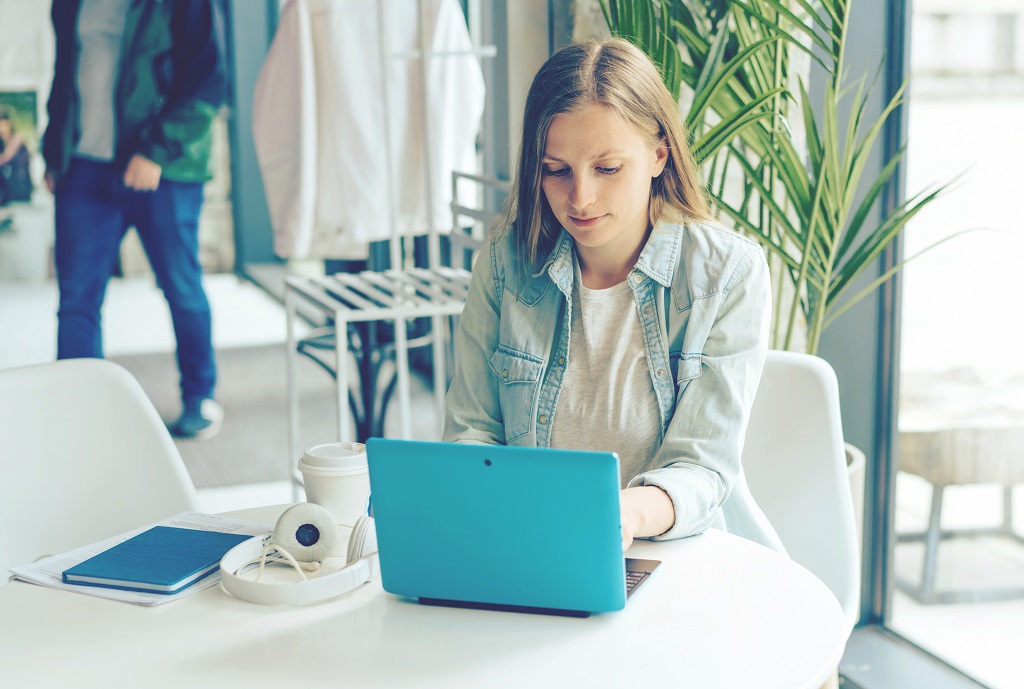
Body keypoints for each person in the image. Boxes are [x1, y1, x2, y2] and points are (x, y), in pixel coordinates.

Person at [442, 38, 785, 553]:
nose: (580, 198)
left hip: (682, 557)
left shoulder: (726, 274)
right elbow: (472, 432)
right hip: (534, 549)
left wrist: (616, 515)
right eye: (556, 170)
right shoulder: (505, 264)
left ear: (658, 155)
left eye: (607, 168)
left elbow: (701, 467)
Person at [41, 0, 228, 439]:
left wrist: (155, 150)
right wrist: (54, 150)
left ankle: (200, 396)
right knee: (76, 300)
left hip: (164, 168)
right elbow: (65, 71)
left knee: (180, 286)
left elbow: (209, 81)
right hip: (84, 166)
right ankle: (78, 406)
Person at [0, 107, 33, 212]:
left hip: (20, 189)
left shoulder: (17, 139)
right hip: (10, 191)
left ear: (8, 123)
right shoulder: (4, 143)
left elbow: (5, 158)